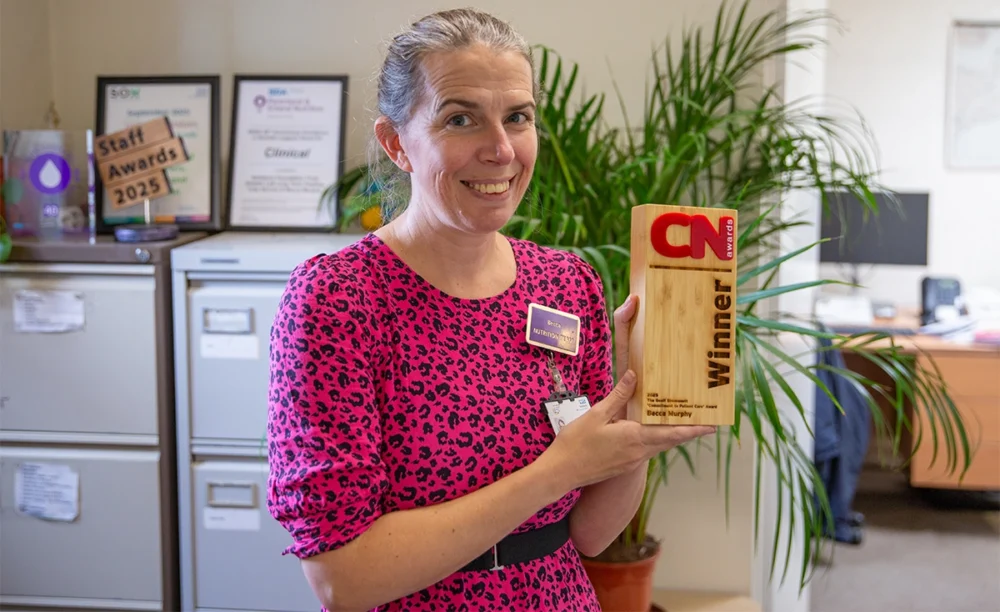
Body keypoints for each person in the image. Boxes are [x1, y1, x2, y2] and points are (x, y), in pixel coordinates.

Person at [266, 8, 716, 612]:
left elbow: (589, 533)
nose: (501, 150)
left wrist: (638, 419)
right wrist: (557, 470)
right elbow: (341, 580)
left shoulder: (566, 283)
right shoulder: (338, 299)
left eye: (518, 118)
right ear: (396, 143)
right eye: (461, 119)